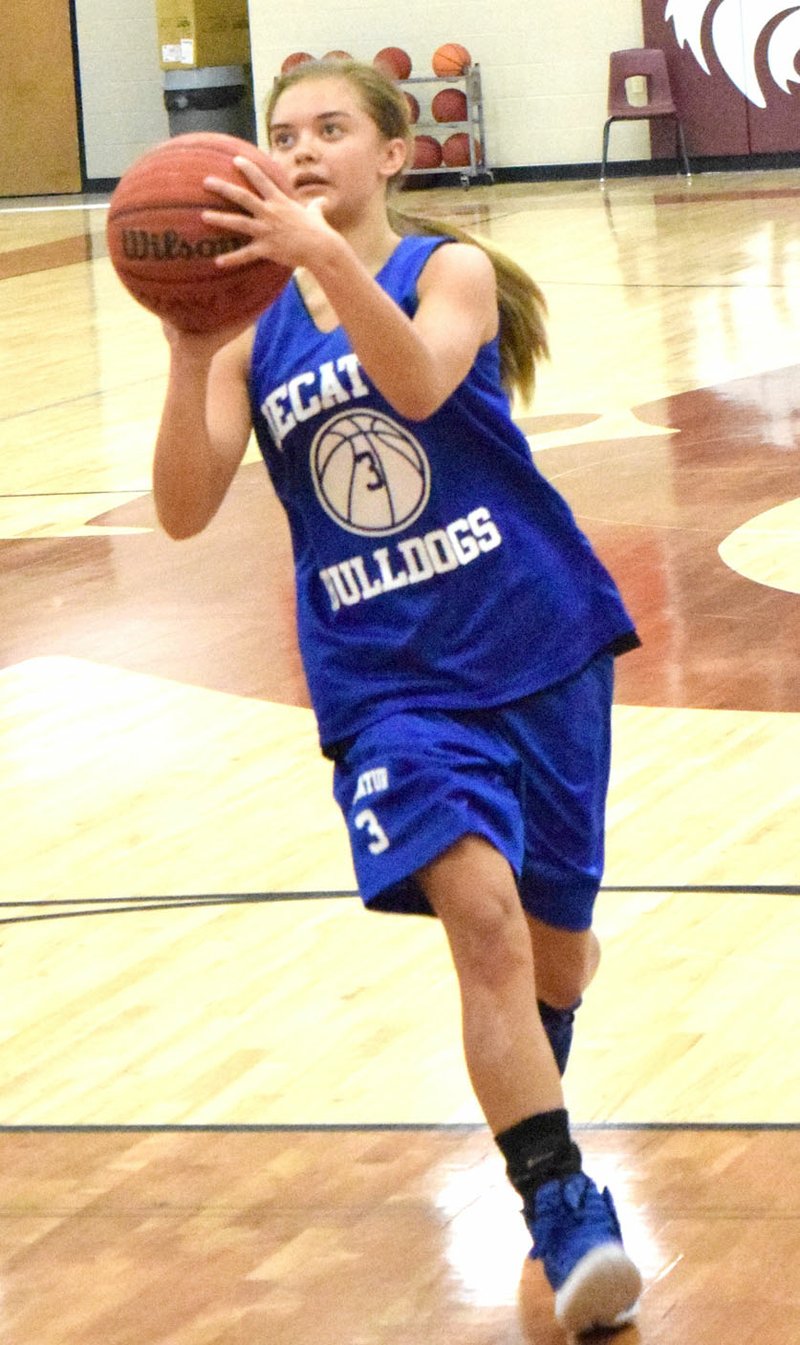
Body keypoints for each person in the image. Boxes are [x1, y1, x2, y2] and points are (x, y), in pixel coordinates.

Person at [152, 58, 643, 1335]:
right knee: (474, 913)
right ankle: (559, 1201)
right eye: (281, 134)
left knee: (552, 945)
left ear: (393, 161)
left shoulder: (446, 274)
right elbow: (183, 508)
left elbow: (418, 383)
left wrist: (321, 259)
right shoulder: (255, 336)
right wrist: (189, 344)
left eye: (330, 131)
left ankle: (537, 1082)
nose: (303, 149)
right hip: (387, 682)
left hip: (534, 637)